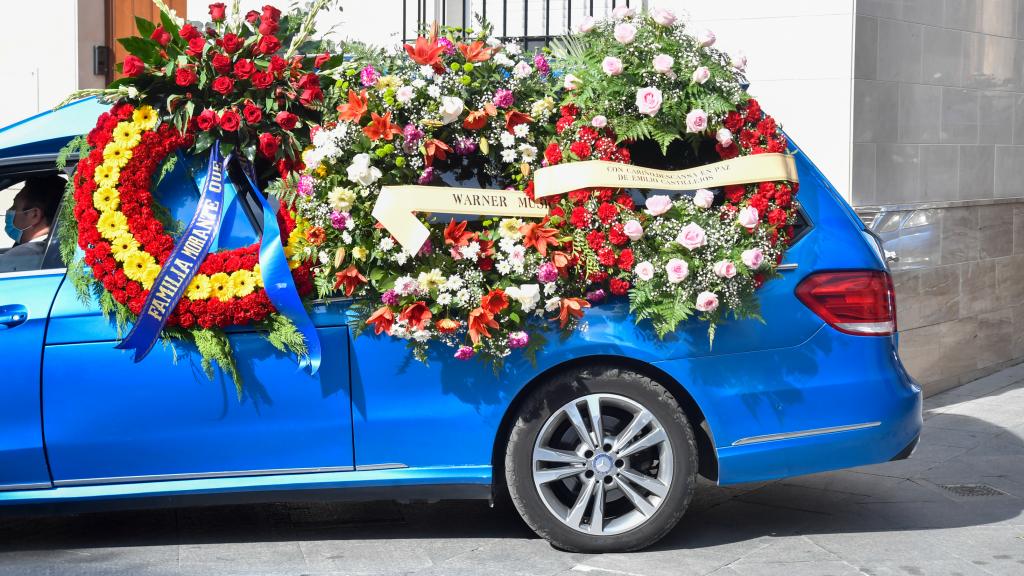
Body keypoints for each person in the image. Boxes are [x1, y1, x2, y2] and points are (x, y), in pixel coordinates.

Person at [0, 175, 65, 273]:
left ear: (34, 214)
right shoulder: (56, 248)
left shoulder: (23, 256)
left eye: (15, 206)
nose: (9, 210)